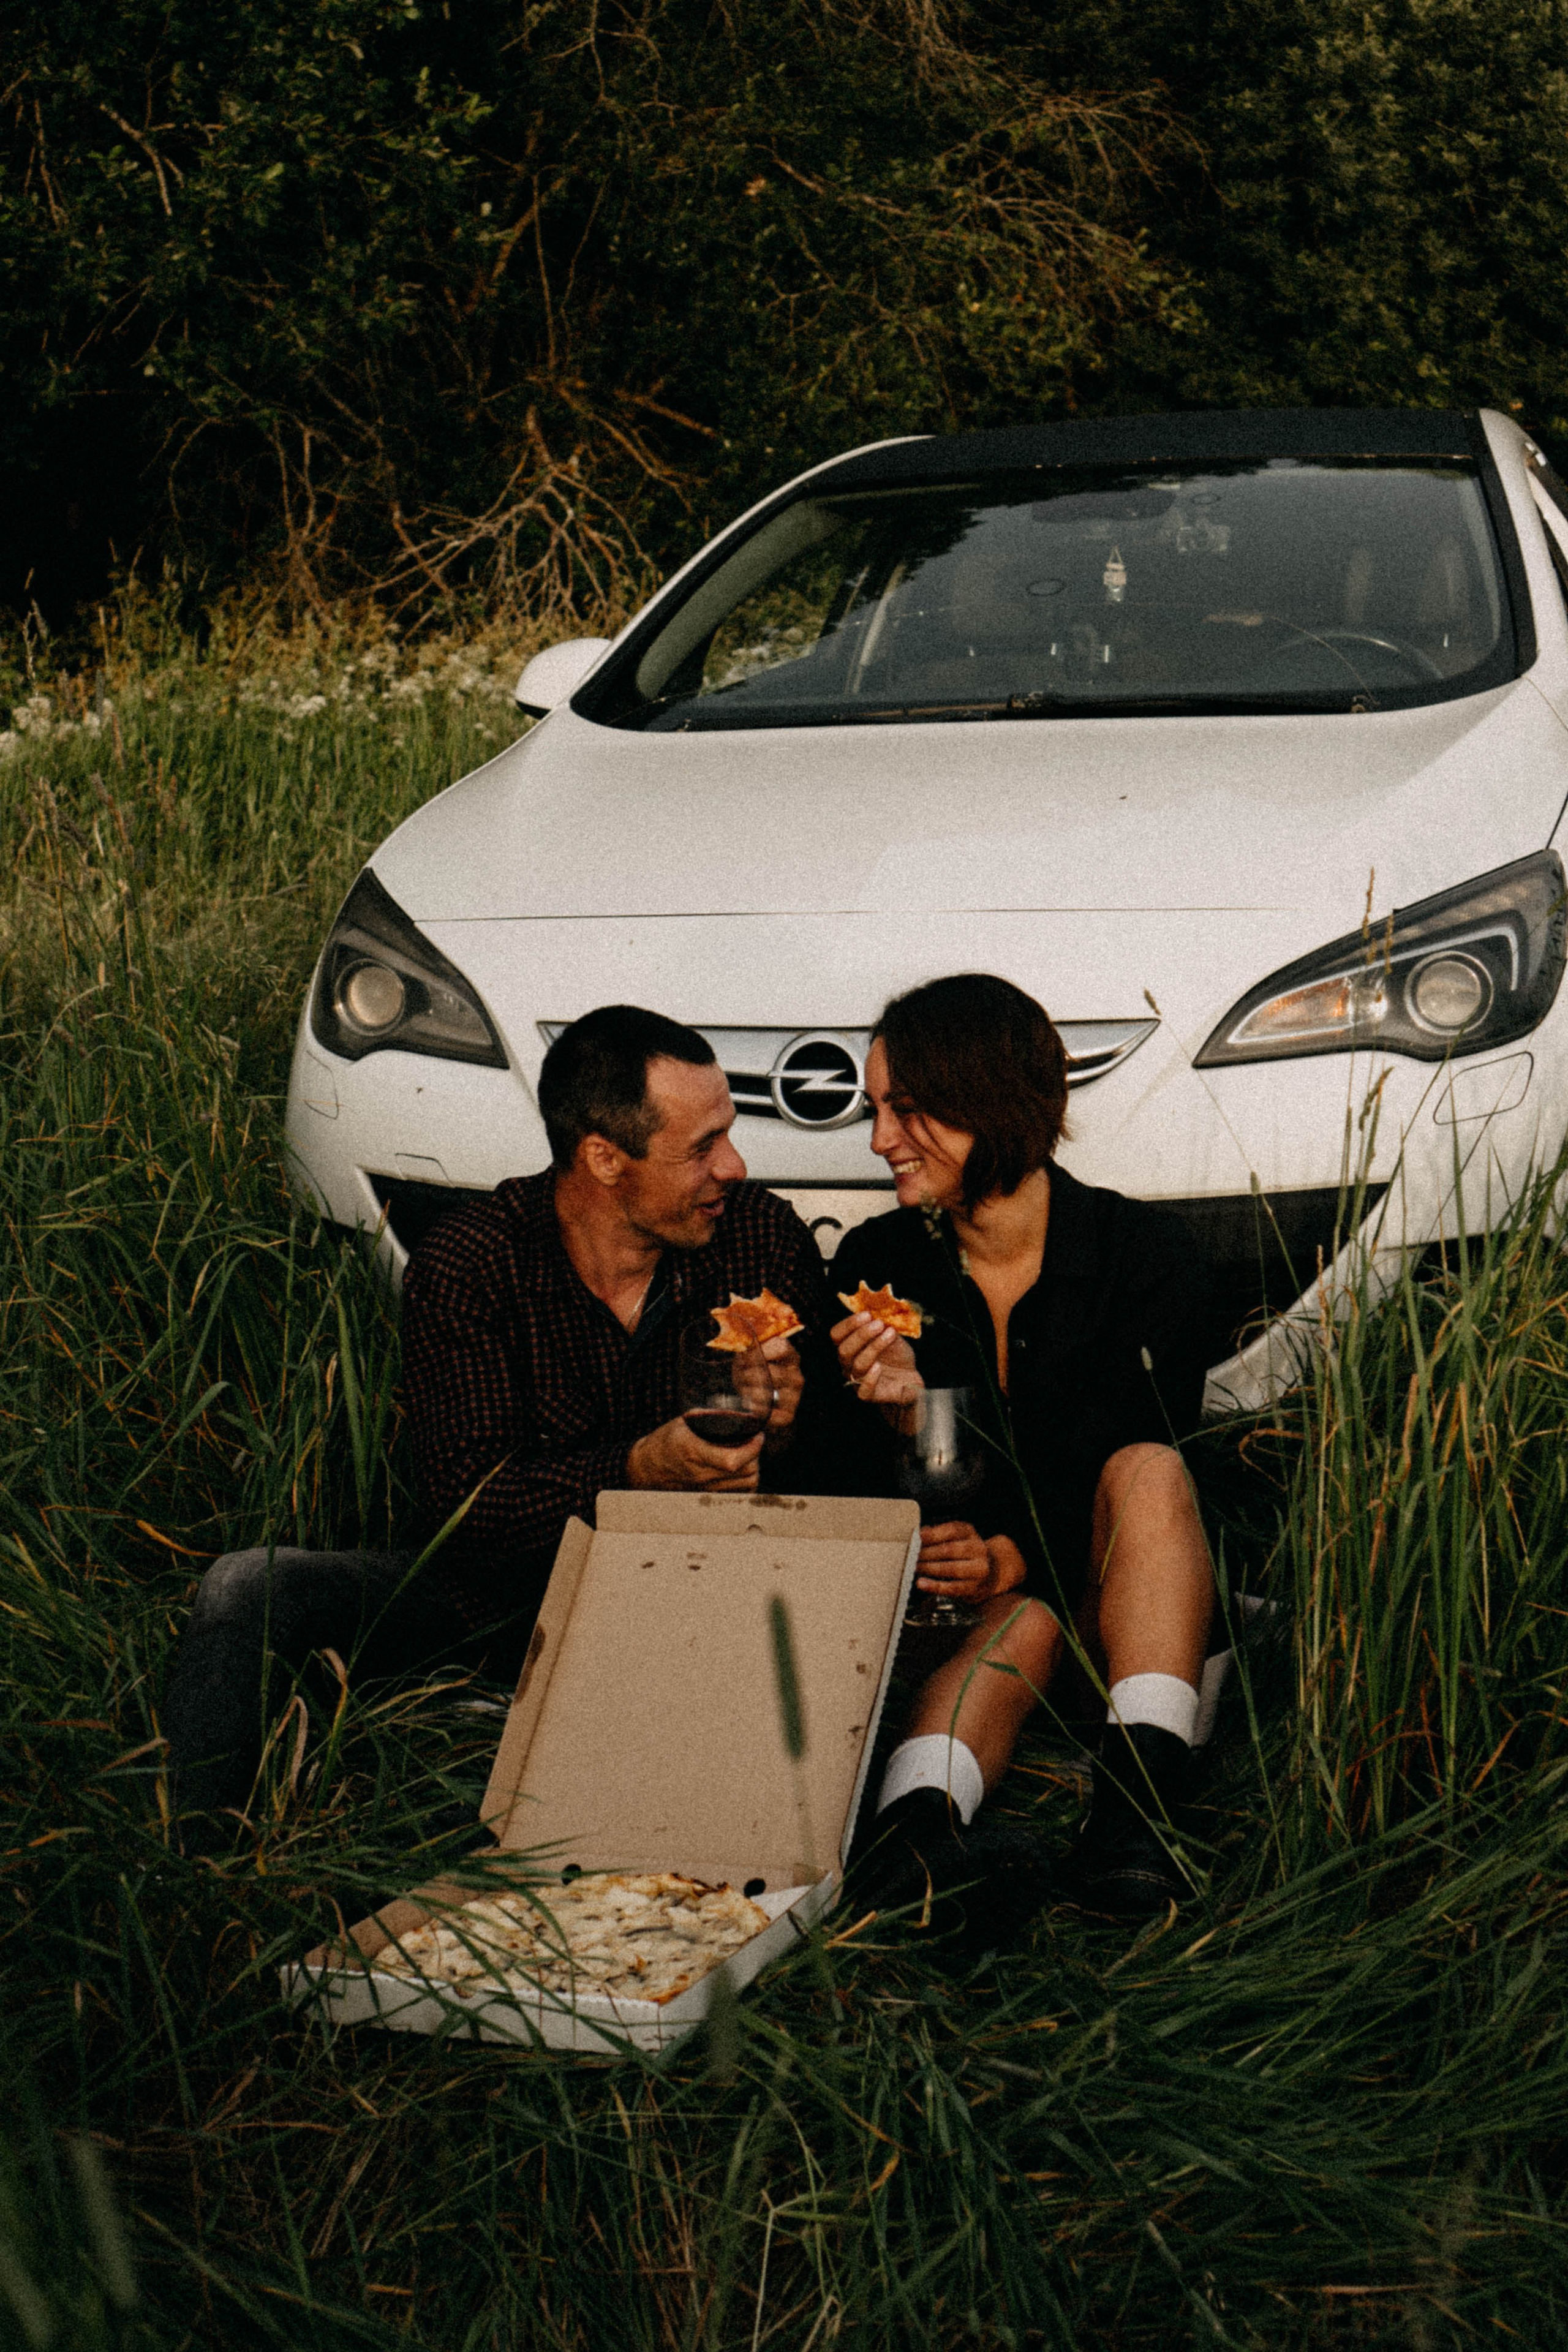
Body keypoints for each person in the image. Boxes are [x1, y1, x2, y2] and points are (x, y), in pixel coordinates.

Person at [163, 1005, 840, 1826]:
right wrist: (635, 1471)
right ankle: (207, 1862)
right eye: (702, 1148)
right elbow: (467, 1503)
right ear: (603, 1158)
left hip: (694, 1599)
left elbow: (824, 1479)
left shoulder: (758, 1235)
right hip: (496, 1600)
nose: (732, 1167)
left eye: (728, 1135)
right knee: (250, 1585)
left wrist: (793, 1421)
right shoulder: (473, 1262)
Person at [831, 973, 1214, 1919]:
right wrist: (897, 1423)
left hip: (1124, 1612)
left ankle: (1137, 1821)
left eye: (907, 1111)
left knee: (1150, 1470)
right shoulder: (878, 1265)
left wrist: (1012, 1551)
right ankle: (912, 1843)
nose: (880, 1141)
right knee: (1022, 1621)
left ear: (992, 1101)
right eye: (875, 1109)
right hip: (982, 1629)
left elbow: (1135, 1448)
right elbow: (843, 1484)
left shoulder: (1148, 1256)